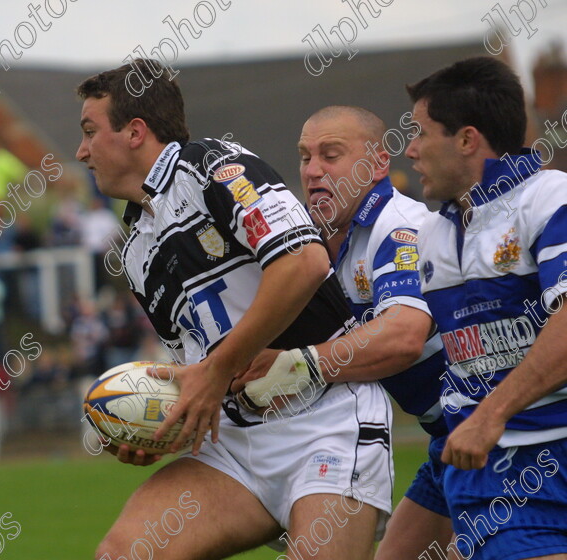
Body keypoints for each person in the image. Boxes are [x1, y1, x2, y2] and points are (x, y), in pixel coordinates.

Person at [75, 59, 393, 560]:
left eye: (90, 132)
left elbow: (304, 262)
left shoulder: (213, 165)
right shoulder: (135, 248)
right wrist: (161, 427)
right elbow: (200, 372)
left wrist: (216, 371)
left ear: (135, 132)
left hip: (326, 420)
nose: (81, 151)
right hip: (236, 446)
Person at [231, 105, 452, 558]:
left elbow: (405, 334)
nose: (313, 171)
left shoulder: (399, 225)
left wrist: (302, 365)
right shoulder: (315, 246)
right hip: (450, 440)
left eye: (331, 155)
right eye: (305, 157)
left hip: (502, 430)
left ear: (377, 164)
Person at [405, 56, 567, 559]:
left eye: (420, 133)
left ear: (467, 139)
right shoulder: (431, 235)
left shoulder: (549, 198)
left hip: (545, 449)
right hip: (481, 471)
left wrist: (491, 414)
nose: (408, 150)